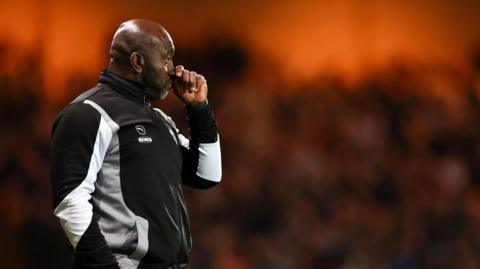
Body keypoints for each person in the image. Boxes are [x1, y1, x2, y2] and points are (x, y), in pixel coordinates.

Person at [50, 19, 222, 269]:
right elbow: (70, 202)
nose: (174, 70)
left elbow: (207, 175)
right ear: (138, 62)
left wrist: (199, 109)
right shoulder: (88, 114)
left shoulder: (160, 120)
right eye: (166, 59)